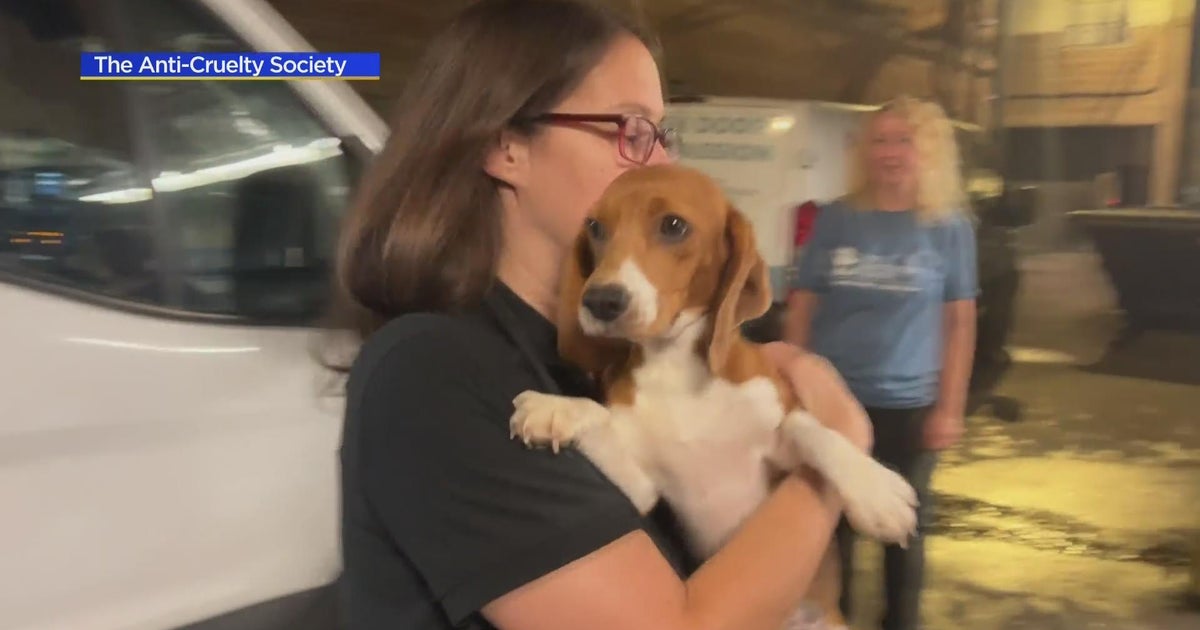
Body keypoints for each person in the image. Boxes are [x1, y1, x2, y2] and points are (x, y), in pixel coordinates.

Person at [328, 1, 875, 629]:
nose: (660, 163)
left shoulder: (605, 355)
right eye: (630, 130)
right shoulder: (430, 371)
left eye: (662, 136)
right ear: (506, 147)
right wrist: (835, 457)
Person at [783, 95, 979, 630]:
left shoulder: (949, 227)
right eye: (880, 140)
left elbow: (959, 322)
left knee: (902, 532)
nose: (889, 153)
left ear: (928, 151)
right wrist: (796, 382)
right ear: (864, 151)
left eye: (903, 140)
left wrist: (950, 408)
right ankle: (832, 620)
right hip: (835, 402)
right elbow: (802, 305)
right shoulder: (837, 219)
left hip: (909, 406)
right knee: (829, 531)